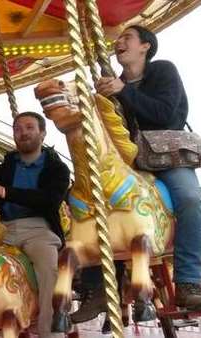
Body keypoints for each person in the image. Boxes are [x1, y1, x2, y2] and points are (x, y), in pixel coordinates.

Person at [72, 24, 201, 323]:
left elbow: (168, 115)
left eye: (126, 38)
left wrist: (125, 92)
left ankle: (189, 280)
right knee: (90, 203)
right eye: (118, 40)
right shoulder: (113, 86)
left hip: (167, 160)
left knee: (192, 199)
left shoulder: (162, 71)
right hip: (129, 164)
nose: (119, 43)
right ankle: (98, 289)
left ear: (145, 46)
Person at [0, 111, 70, 338]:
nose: (23, 133)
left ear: (42, 133)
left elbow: (48, 199)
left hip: (38, 229)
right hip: (3, 229)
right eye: (18, 129)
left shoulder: (56, 169)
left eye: (29, 127)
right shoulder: (3, 169)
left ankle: (50, 332)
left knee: (48, 270)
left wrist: (3, 191)